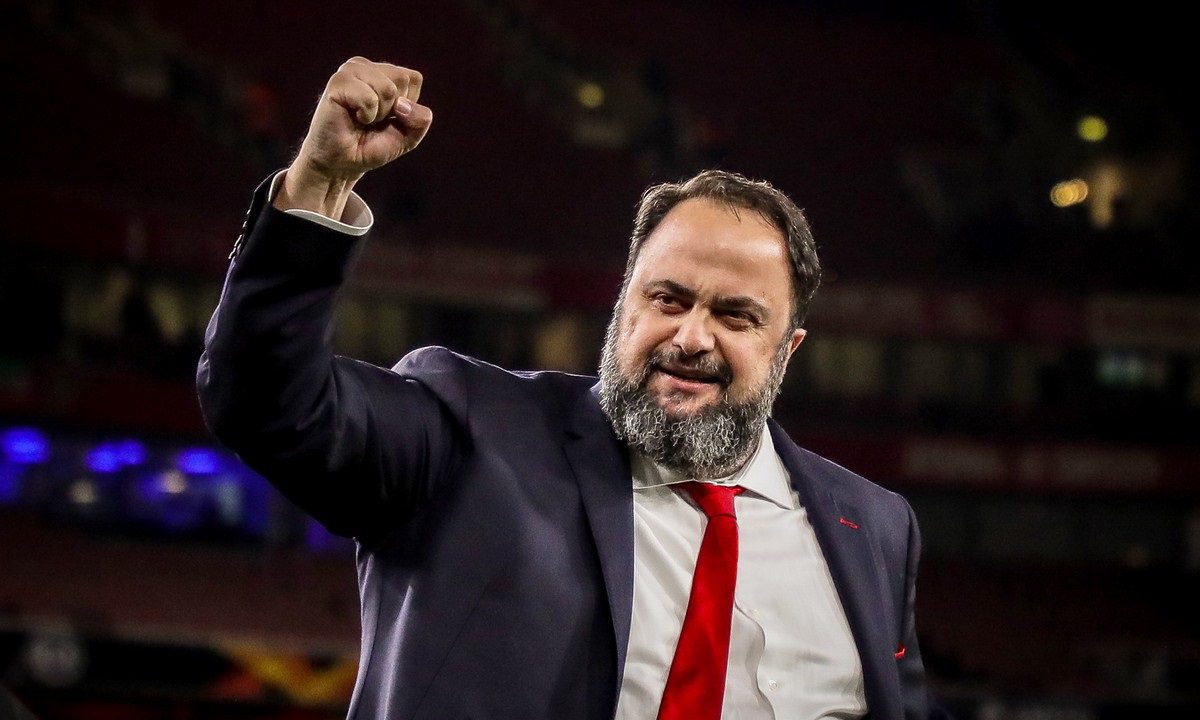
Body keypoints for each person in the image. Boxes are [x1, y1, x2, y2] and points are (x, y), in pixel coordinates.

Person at [197, 56, 950, 720]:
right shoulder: (471, 430)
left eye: (735, 315)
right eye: (668, 299)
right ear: (623, 307)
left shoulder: (875, 528)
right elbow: (266, 403)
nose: (692, 337)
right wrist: (320, 186)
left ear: (787, 351)